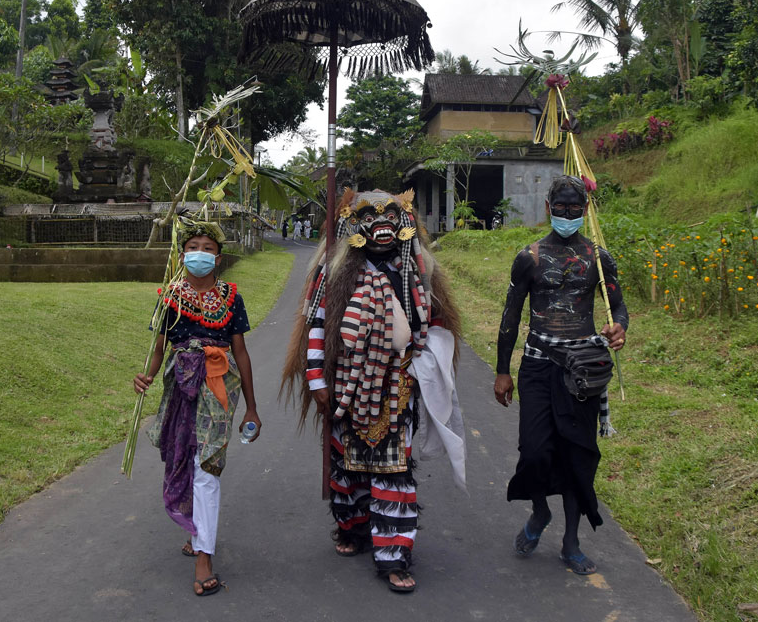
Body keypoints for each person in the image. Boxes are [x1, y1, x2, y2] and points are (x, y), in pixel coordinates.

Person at [283, 189, 467, 593]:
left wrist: (422, 363)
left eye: (389, 218)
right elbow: (317, 325)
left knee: (393, 468)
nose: (380, 227)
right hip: (345, 383)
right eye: (369, 218)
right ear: (353, 225)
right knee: (346, 462)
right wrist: (317, 380)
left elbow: (434, 326)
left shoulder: (418, 270)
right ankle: (351, 527)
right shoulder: (332, 272)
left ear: (404, 224)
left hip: (397, 383)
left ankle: (394, 554)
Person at [493, 175, 629, 576]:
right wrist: (503, 370)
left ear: (584, 211)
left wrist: (619, 328)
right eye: (562, 207)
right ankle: (539, 513)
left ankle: (571, 542)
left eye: (576, 208)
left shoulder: (599, 259)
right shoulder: (529, 257)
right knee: (534, 450)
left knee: (576, 455)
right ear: (548, 209)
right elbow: (510, 316)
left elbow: (619, 308)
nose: (568, 214)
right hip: (537, 363)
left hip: (581, 370)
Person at [133, 218, 261, 597]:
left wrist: (252, 408)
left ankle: (205, 554)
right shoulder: (168, 297)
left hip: (220, 387)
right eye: (194, 247)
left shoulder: (231, 298)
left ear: (218, 258)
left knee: (207, 466)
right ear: (182, 253)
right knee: (182, 455)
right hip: (179, 386)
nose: (200, 253)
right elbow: (157, 349)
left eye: (208, 248)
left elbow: (241, 351)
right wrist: (146, 377)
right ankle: (195, 527)